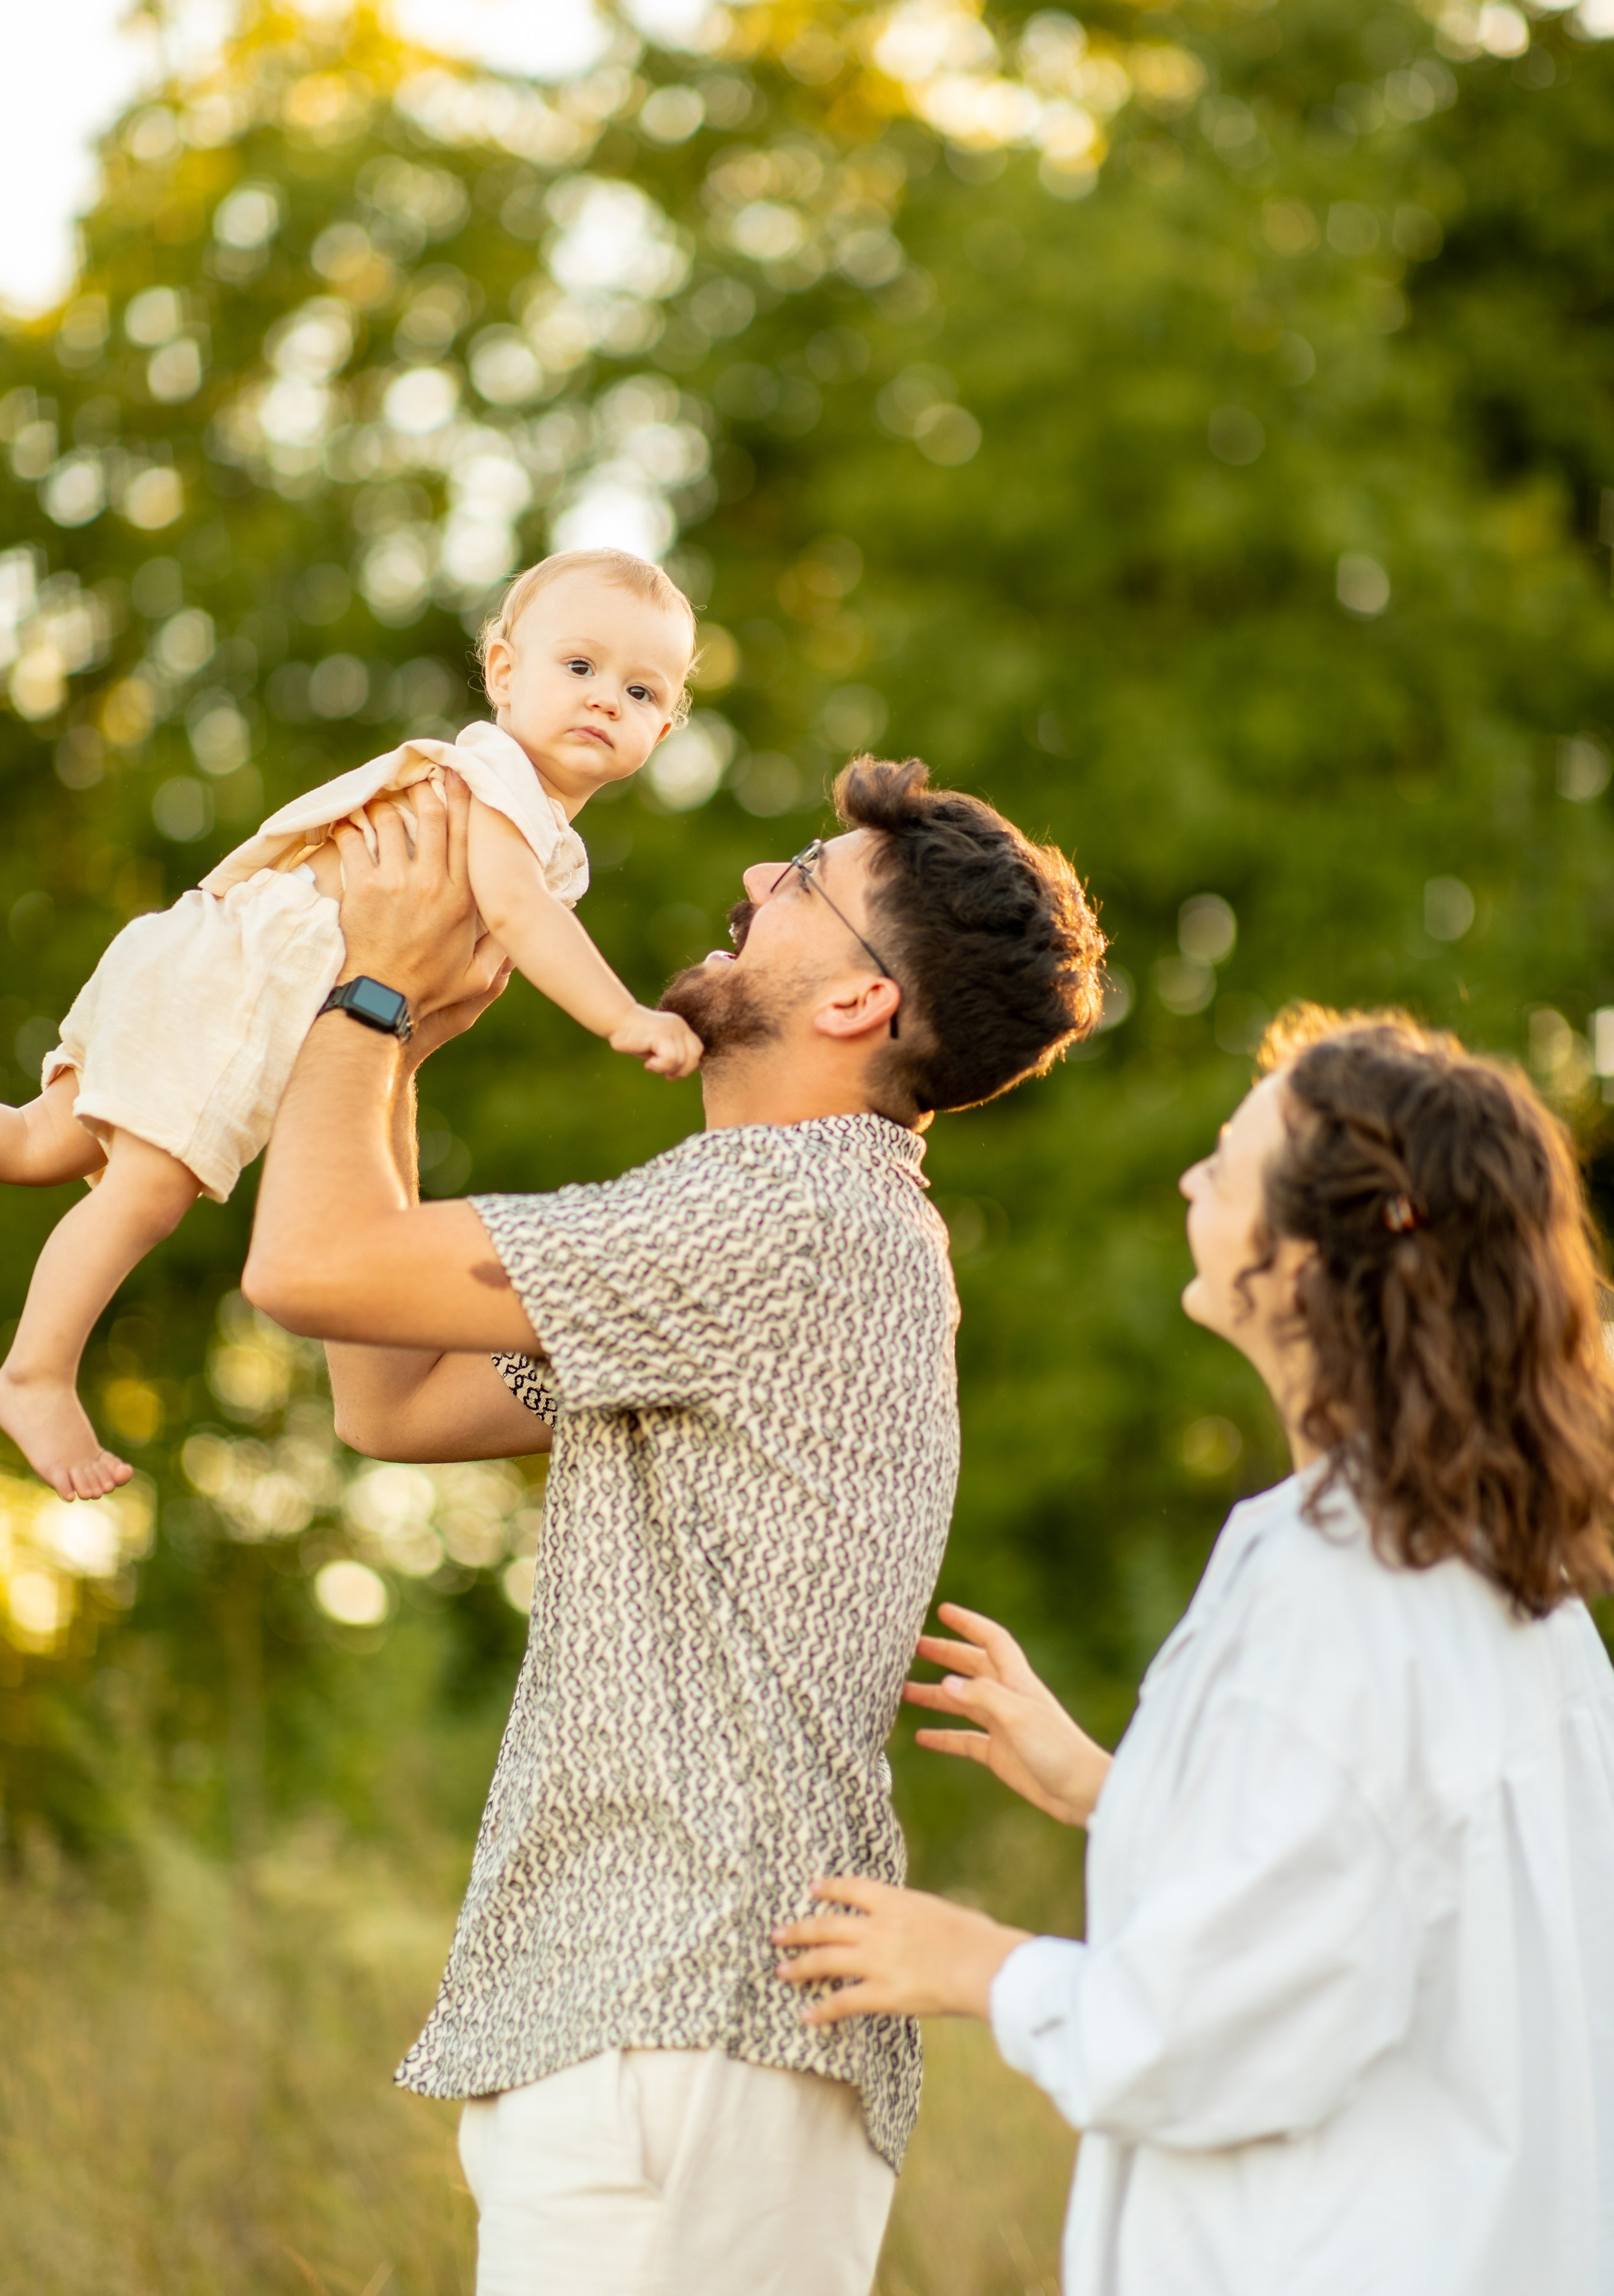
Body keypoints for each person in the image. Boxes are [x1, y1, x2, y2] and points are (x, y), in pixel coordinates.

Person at [240, 749, 1105, 2296]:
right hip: (664, 2034)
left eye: (805, 882)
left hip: (686, 2024)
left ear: (857, 1000)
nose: (760, 880)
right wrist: (403, 1043)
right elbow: (394, 1398)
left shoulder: (782, 1215)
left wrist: (363, 990)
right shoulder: (785, 1222)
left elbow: (305, 1265)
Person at [775, 1007, 1614, 2296]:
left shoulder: (1336, 1596)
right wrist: (1111, 1792)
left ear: (1320, 1255)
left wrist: (976, 1963)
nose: (1188, 1179)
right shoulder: (1515, 1589)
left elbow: (1194, 2037)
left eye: (1226, 1160)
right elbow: (1373, 1891)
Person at [0, 549, 700, 1503]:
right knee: (149, 1190)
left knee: (39, 1140)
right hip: (247, 976)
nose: (606, 699)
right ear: (504, 672)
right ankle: (36, 1373)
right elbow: (519, 910)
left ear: (665, 727)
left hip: (209, 953)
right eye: (578, 666)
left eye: (641, 691)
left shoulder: (528, 814)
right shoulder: (500, 782)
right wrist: (623, 1016)